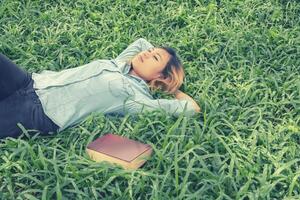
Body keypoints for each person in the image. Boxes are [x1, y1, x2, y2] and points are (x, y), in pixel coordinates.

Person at [0, 38, 200, 139]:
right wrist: (157, 53)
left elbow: (191, 108)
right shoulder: (119, 63)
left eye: (154, 57)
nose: (147, 54)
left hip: (38, 113)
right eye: (150, 51)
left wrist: (171, 86)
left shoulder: (136, 100)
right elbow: (141, 42)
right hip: (33, 82)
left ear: (162, 76)